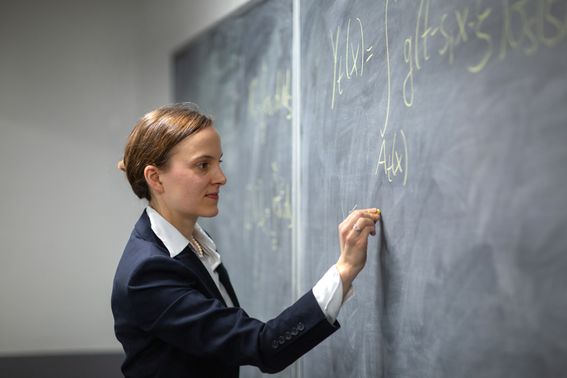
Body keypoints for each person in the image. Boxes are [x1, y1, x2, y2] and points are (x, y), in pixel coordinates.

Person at [111, 103, 381, 377]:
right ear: (155, 178)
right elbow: (263, 346)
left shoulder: (194, 244)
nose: (221, 178)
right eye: (203, 165)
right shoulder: (148, 274)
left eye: (219, 163)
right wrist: (344, 270)